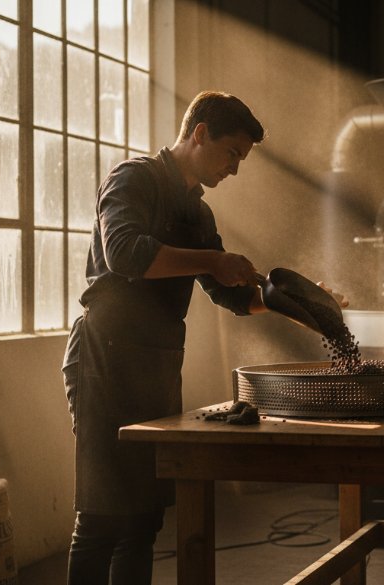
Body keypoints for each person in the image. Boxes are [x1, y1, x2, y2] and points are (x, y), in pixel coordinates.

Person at [61, 90, 346, 584]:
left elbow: (232, 296)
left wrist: (306, 306)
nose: (234, 169)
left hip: (156, 362)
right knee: (102, 516)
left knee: (144, 518)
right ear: (199, 134)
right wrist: (213, 260)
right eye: (232, 153)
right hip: (104, 357)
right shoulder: (134, 179)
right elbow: (125, 253)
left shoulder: (198, 214)